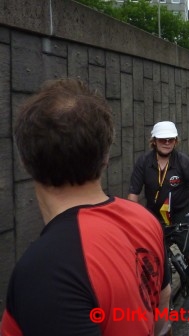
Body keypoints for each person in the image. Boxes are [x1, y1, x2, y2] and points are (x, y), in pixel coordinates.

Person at [0, 78, 170, 336]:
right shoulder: (144, 219)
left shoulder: (46, 269)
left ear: (25, 160)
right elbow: (161, 306)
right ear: (105, 158)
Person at [127, 121, 189, 310]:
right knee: (155, 258)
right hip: (155, 217)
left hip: (182, 214)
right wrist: (131, 219)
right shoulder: (143, 162)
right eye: (162, 139)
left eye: (171, 139)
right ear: (154, 141)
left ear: (176, 141)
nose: (167, 142)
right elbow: (133, 194)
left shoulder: (182, 161)